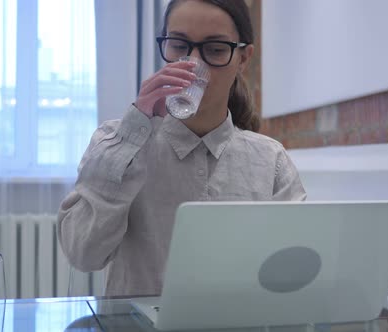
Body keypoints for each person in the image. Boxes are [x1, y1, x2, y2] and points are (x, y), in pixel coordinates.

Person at [57, 0, 306, 297]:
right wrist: (135, 130)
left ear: (243, 58)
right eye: (178, 45)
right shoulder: (116, 140)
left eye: (214, 49)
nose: (192, 63)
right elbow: (83, 253)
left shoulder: (270, 159)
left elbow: (295, 269)